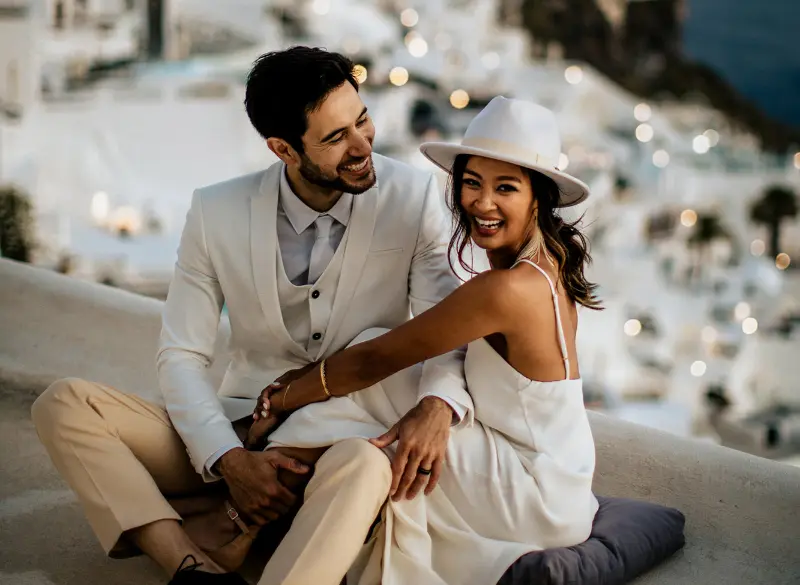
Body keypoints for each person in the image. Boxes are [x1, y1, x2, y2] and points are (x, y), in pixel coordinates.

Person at [30, 46, 474, 585]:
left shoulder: (413, 196)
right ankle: (188, 567)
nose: (363, 147)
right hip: (239, 427)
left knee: (363, 469)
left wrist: (437, 404)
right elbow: (182, 355)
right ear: (282, 148)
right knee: (66, 405)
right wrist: (227, 459)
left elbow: (445, 330)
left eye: (361, 120)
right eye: (336, 138)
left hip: (340, 438)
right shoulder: (216, 212)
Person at [249, 96, 603, 585]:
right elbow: (423, 348)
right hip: (560, 479)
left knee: (375, 401)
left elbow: (379, 359)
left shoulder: (508, 289)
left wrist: (283, 396)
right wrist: (438, 405)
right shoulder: (545, 265)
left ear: (538, 197)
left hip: (533, 492)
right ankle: (270, 476)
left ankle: (260, 476)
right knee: (384, 388)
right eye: (472, 183)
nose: (482, 202)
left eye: (505, 188)